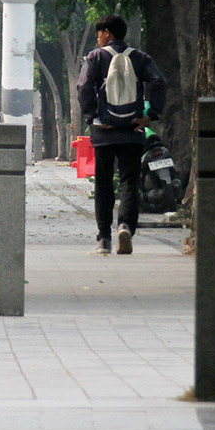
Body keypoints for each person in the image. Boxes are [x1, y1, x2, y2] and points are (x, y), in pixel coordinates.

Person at [76, 15, 167, 256]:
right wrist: (151, 115)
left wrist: (92, 116)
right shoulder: (139, 57)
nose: (97, 39)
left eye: (99, 34)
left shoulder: (95, 57)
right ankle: (125, 226)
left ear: (107, 33)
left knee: (104, 184)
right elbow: (158, 82)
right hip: (132, 130)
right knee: (130, 182)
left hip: (104, 131)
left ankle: (103, 237)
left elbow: (84, 86)